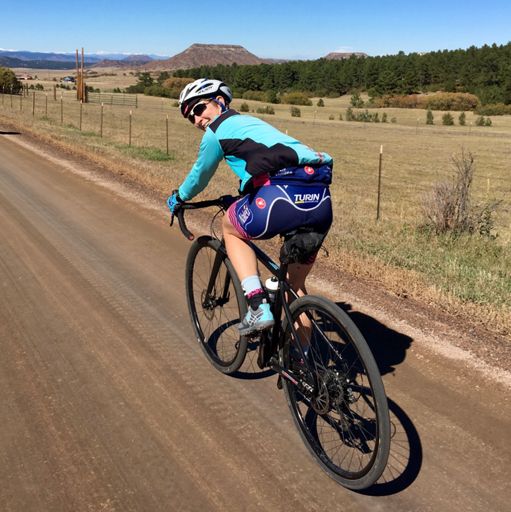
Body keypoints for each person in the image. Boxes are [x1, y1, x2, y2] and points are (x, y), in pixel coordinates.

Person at [167, 78, 333, 336]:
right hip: (320, 199)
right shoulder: (252, 123)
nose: (197, 120)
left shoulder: (216, 131)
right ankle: (302, 357)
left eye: (199, 109)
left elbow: (200, 175)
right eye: (191, 118)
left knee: (229, 227)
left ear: (219, 101)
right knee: (294, 290)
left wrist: (179, 197)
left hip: (278, 196)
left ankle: (256, 305)